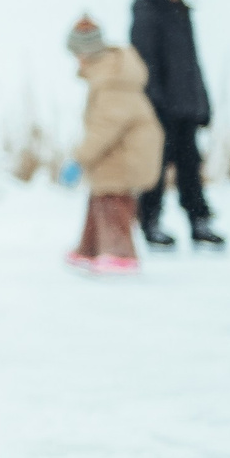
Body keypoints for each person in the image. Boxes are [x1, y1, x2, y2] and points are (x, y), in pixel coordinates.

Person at [129, 0, 223, 250]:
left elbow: (192, 64)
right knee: (155, 167)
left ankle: (199, 222)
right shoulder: (148, 11)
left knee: (190, 166)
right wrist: (155, 100)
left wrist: (202, 103)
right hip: (160, 108)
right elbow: (144, 60)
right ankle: (151, 222)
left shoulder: (182, 12)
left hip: (186, 108)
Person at [64, 16, 165, 274]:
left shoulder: (112, 80)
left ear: (85, 53)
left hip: (128, 152)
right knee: (99, 195)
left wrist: (80, 158)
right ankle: (90, 249)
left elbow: (105, 128)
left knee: (112, 198)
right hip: (121, 150)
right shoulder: (108, 74)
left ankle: (121, 253)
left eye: (76, 54)